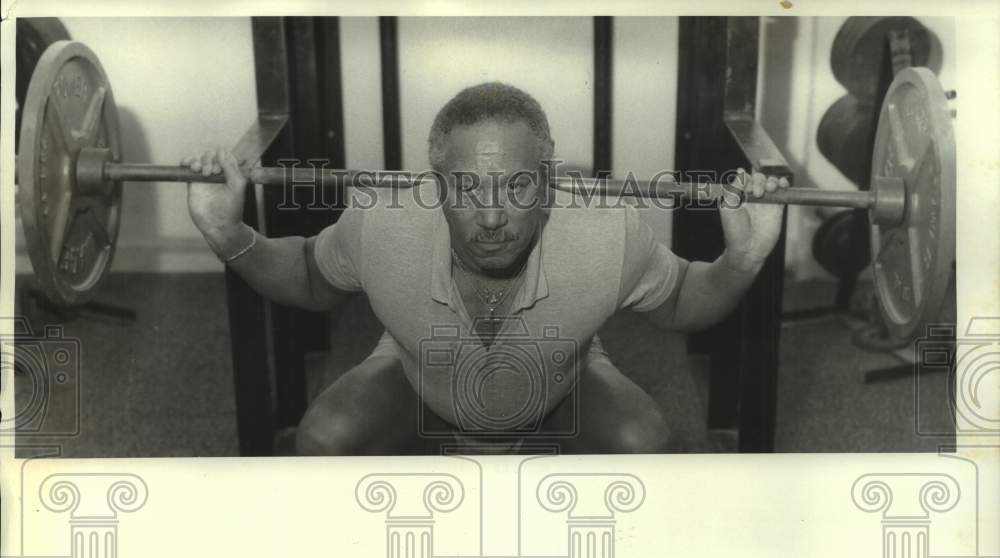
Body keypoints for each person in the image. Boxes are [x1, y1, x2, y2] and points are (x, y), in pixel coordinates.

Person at [184, 82, 788, 455]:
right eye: (468, 188)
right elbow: (312, 278)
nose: (494, 216)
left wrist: (741, 260)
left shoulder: (606, 227)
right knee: (324, 441)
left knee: (645, 444)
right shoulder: (383, 220)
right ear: (434, 186)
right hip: (420, 377)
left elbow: (684, 299)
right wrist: (229, 233)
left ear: (549, 182)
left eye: (518, 185)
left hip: (561, 381)